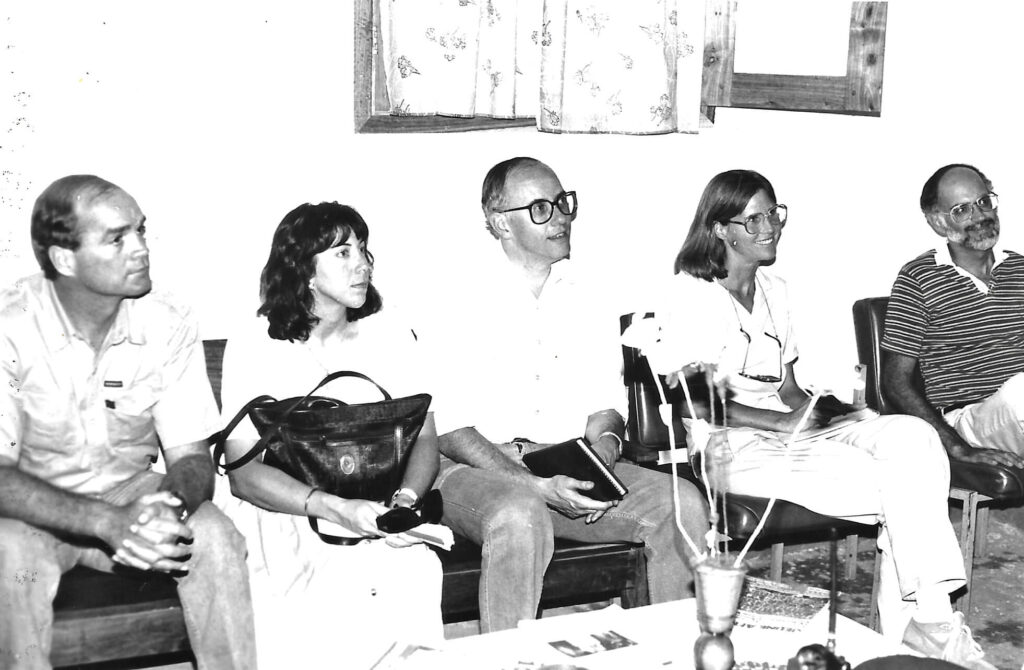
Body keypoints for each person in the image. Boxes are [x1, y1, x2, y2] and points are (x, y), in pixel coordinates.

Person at [662, 169, 994, 669]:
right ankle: (927, 624)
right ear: (720, 229)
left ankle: (924, 624)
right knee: (901, 484)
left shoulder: (778, 288)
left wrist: (830, 409)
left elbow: (788, 388)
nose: (770, 227)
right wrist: (779, 423)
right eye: (753, 220)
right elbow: (694, 401)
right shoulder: (688, 295)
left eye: (774, 213)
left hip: (794, 434)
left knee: (914, 439)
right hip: (730, 445)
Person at [423, 156, 709, 634]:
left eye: (561, 203)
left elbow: (606, 407)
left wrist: (603, 454)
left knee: (681, 504)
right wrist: (531, 484)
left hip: (567, 462)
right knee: (519, 513)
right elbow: (451, 431)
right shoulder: (454, 296)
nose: (559, 217)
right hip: (473, 468)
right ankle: (512, 664)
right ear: (500, 224)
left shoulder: (588, 293)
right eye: (540, 208)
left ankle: (675, 653)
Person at [0, 175, 256, 670]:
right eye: (117, 238)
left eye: (141, 230)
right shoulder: (10, 327)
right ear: (63, 259)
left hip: (128, 491)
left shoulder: (168, 320)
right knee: (8, 556)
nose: (140, 249)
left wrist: (170, 508)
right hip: (35, 509)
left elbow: (189, 457)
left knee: (215, 536)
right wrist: (107, 523)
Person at [216, 202, 443, 669]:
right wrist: (333, 507)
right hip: (286, 508)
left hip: (375, 503)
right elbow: (243, 475)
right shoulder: (259, 343)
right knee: (323, 576)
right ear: (305, 270)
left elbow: (424, 440)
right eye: (342, 252)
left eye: (362, 249)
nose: (362, 263)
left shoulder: (391, 332)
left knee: (413, 566)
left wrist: (403, 502)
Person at [881, 163, 1024, 471]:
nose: (980, 216)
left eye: (984, 202)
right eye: (962, 209)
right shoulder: (918, 278)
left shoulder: (1020, 269)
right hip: (968, 420)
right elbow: (894, 382)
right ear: (938, 222)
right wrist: (957, 447)